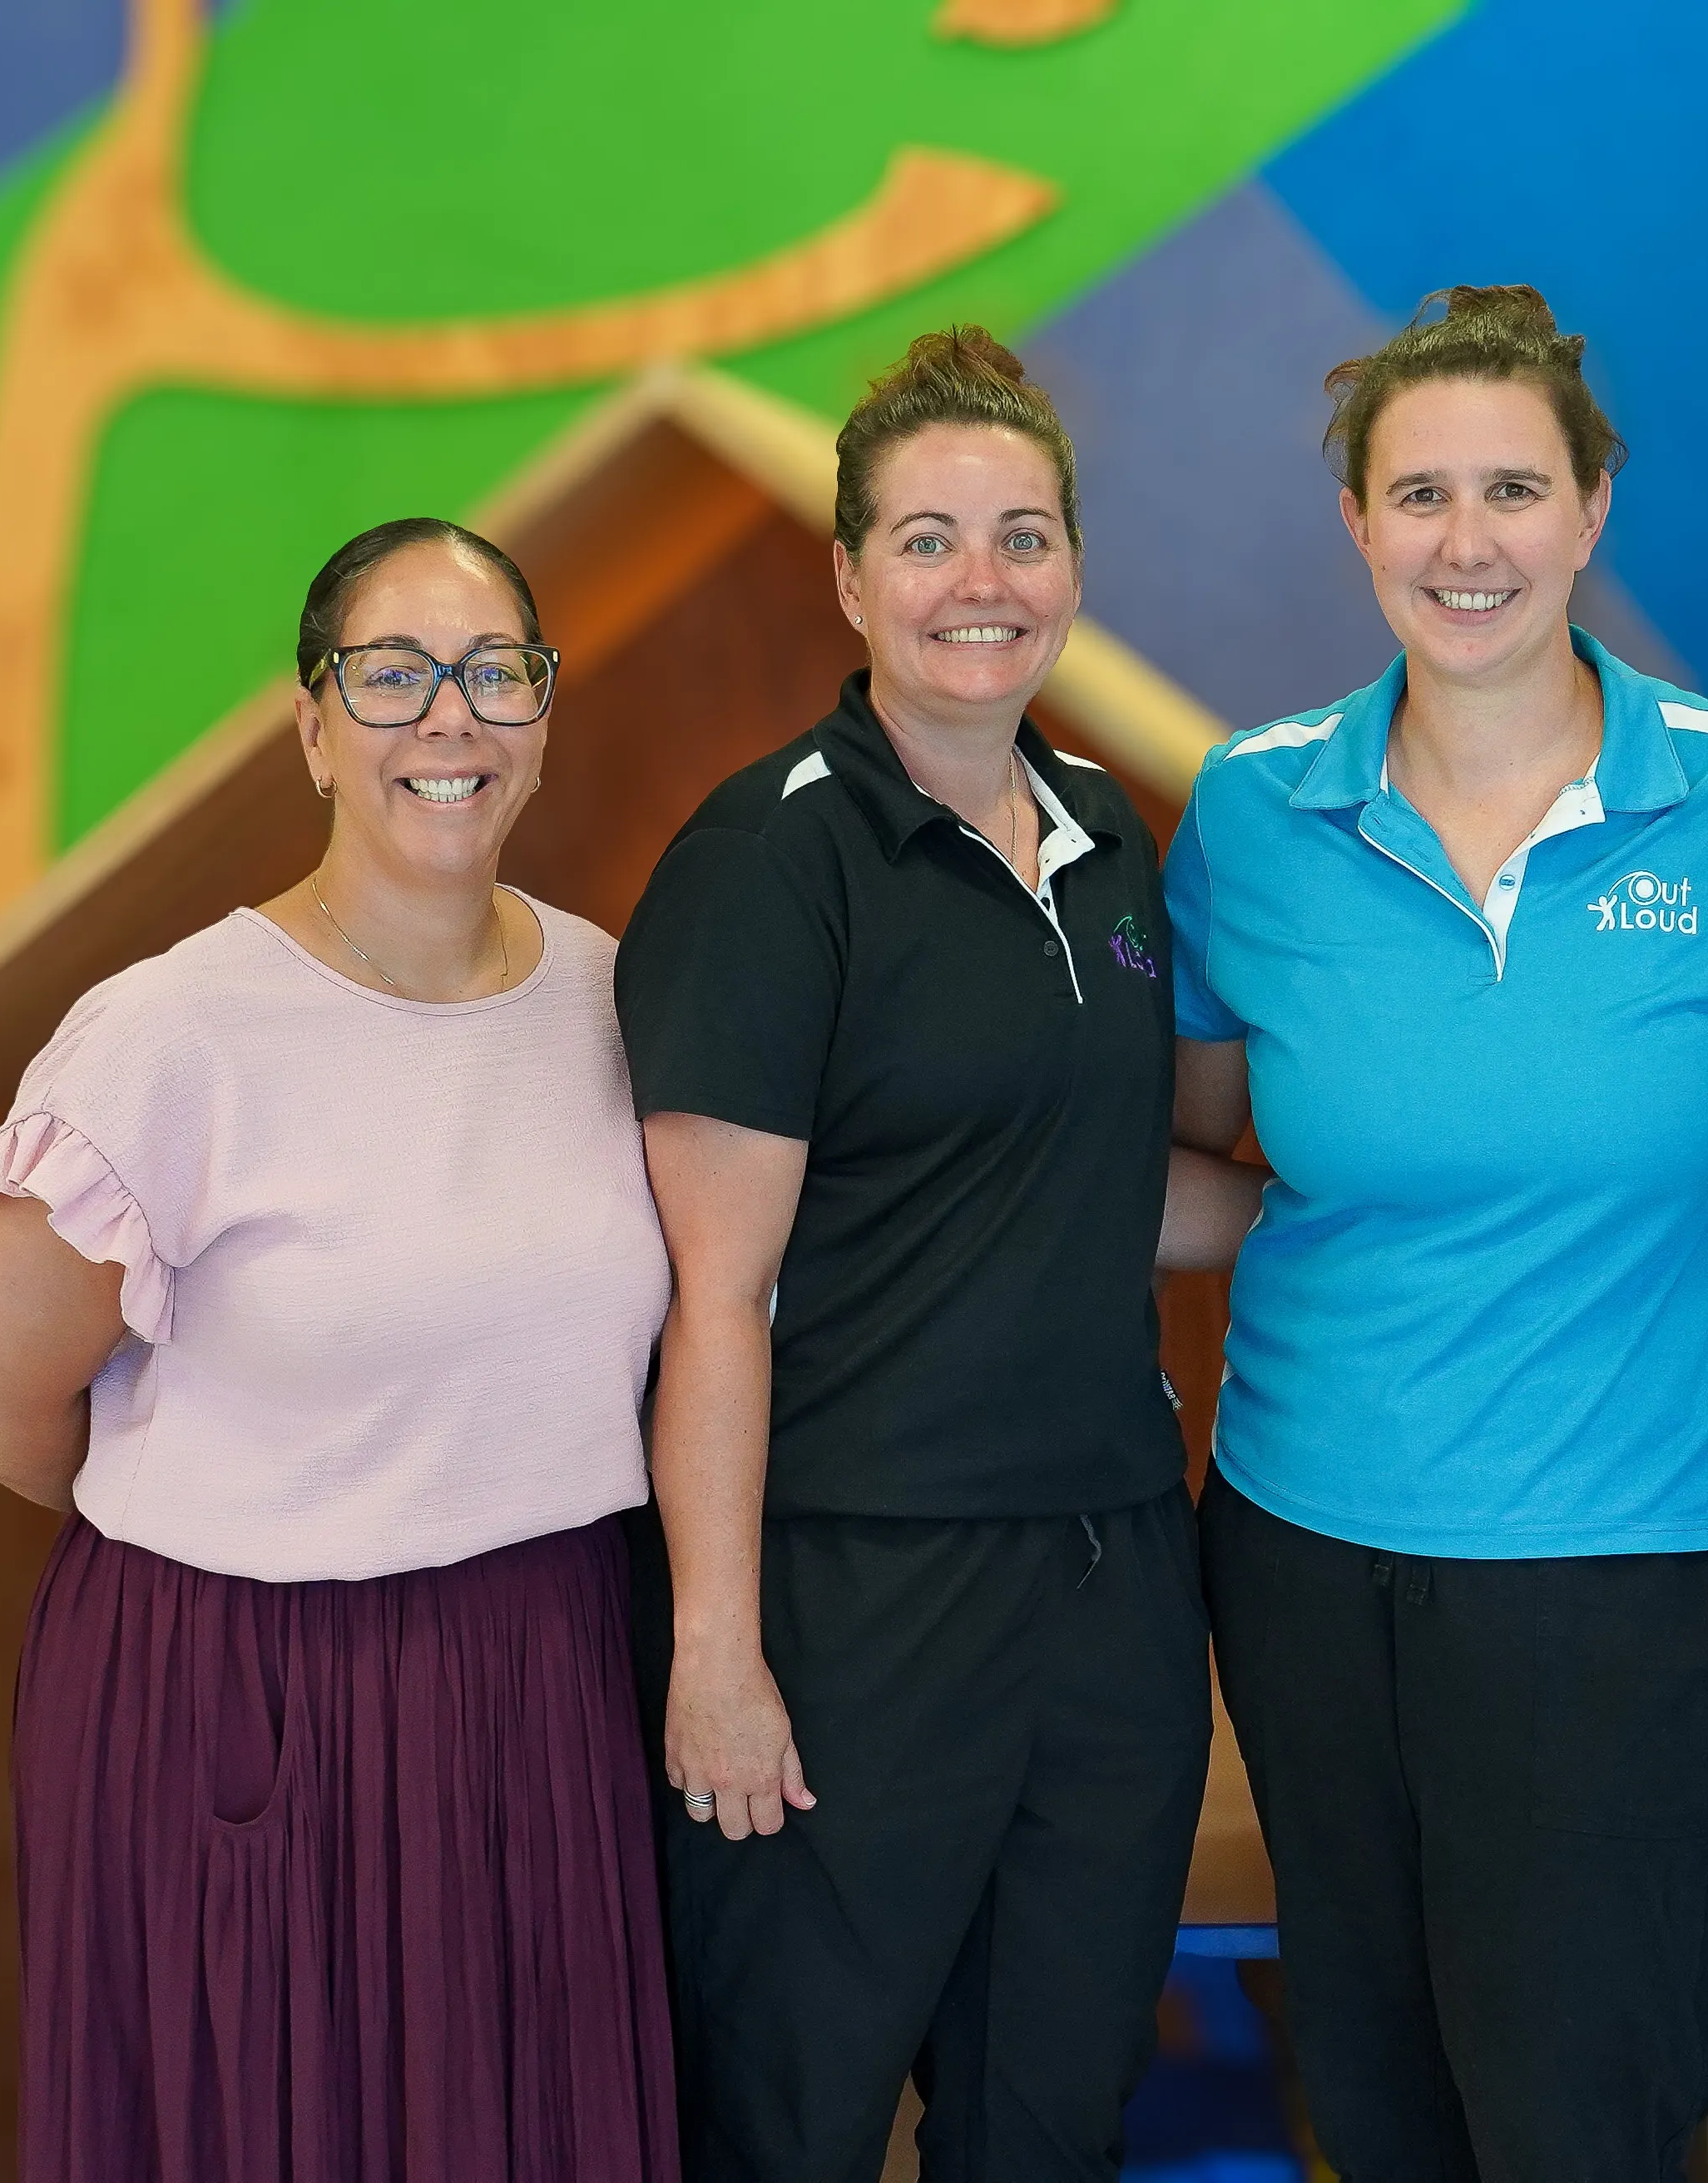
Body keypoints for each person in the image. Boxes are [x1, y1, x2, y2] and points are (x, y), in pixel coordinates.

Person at [1158, 285, 1708, 2181]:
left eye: (1514, 491)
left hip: (1632, 1567)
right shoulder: (1252, 805)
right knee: (1377, 2106)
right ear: (1359, 523)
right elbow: (1211, 1156)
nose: (1468, 544)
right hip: (1308, 1559)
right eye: (1421, 496)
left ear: (1593, 506)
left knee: (1589, 2116)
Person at [0, 517, 678, 2180]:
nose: (448, 719)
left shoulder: (618, 999)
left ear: (543, 714)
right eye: (391, 675)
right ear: (316, 726)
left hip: (543, 1676)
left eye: (494, 674)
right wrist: (242, 1516)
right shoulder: (171, 1036)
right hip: (234, 1696)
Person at [616, 328, 1206, 2183]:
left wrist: (1396, 1204)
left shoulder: (1109, 834)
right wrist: (716, 1647)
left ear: (1075, 571)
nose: (983, 581)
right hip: (851, 1592)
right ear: (853, 575)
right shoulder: (769, 863)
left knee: (1054, 2112)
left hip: (1110, 1580)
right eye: (931, 537)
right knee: (789, 2112)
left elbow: (1105, 1176)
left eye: (1022, 534)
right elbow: (711, 1290)